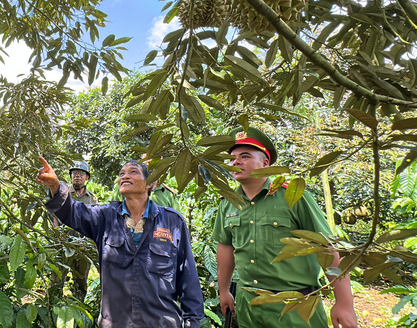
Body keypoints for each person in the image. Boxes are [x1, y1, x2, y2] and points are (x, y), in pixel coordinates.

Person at [213, 127, 358, 328]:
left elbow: (328, 246)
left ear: (265, 163)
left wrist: (344, 303)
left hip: (295, 309)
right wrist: (224, 291)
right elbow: (226, 248)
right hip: (249, 309)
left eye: (245, 156)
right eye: (232, 158)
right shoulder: (228, 203)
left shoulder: (293, 196)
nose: (236, 162)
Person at [37, 156, 204, 327]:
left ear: (149, 183)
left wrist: (193, 321)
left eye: (133, 172)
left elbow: (188, 276)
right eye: (121, 173)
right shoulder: (105, 216)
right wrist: (55, 186)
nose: (125, 176)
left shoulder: (172, 221)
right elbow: (72, 212)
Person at [49, 161, 98, 302]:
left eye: (81, 173)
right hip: (64, 244)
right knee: (57, 279)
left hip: (83, 246)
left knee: (81, 281)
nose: (77, 176)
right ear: (70, 176)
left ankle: (78, 309)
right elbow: (54, 216)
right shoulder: (63, 193)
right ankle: (51, 306)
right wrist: (58, 236)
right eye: (74, 173)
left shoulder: (92, 198)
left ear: (87, 177)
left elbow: (95, 220)